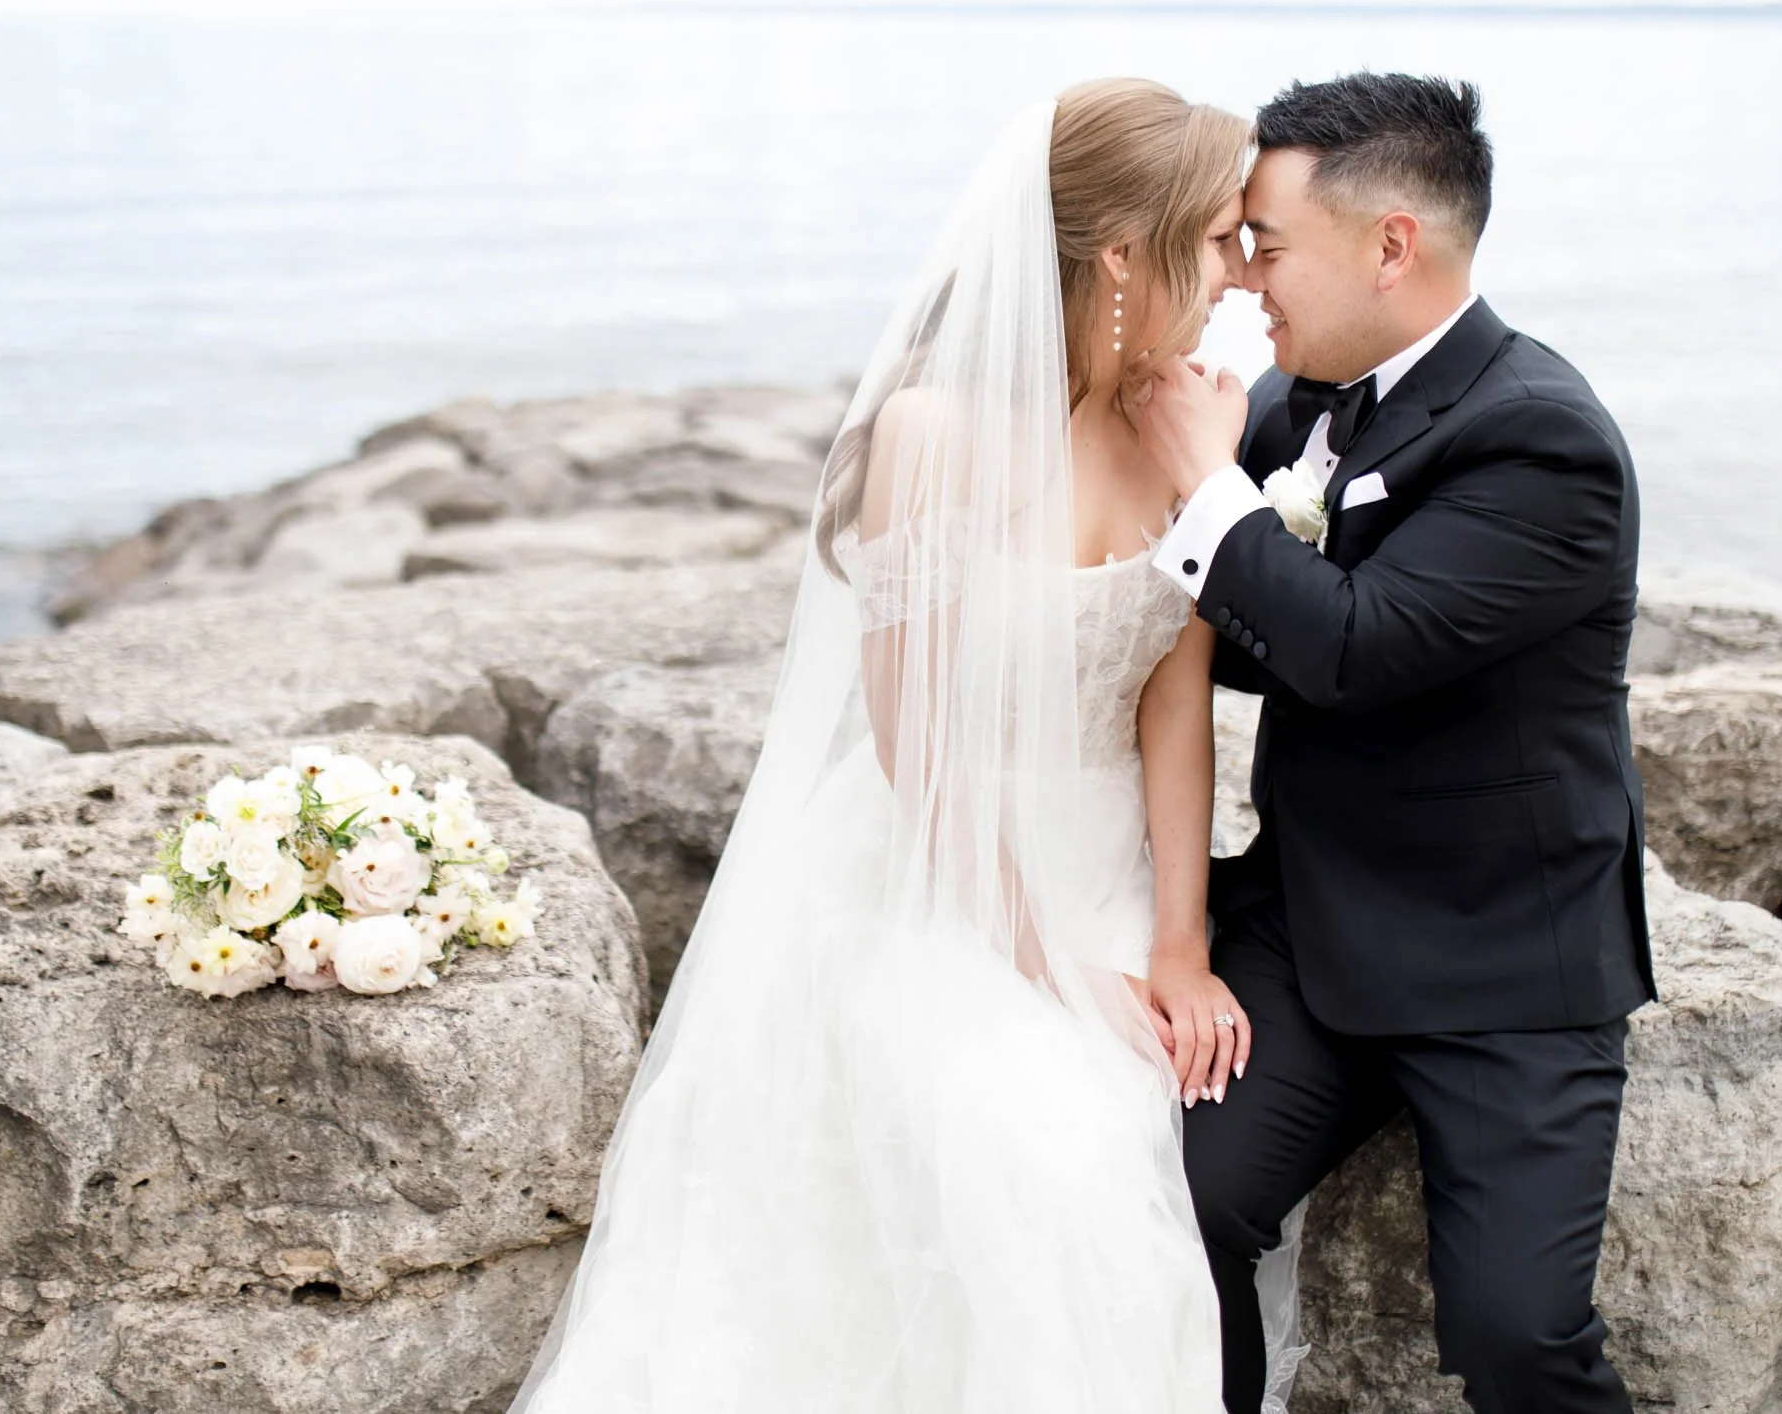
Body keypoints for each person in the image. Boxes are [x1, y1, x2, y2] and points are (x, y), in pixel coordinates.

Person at [510, 80, 1313, 1413]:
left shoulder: (1180, 422)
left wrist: (1176, 948)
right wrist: (1057, 969)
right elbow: (916, 748)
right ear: (1126, 250)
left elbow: (1173, 704)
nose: (1242, 276)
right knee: (1046, 1146)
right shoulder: (936, 434)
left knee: (1169, 1136)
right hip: (941, 877)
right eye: (1223, 240)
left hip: (1113, 861)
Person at [1138, 72, 1656, 1414]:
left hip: (1504, 959)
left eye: (1268, 242)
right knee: (1169, 1205)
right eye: (1235, 243)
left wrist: (1206, 491)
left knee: (1517, 1336)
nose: (1246, 277)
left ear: (1390, 244)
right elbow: (1231, 620)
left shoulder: (1540, 439)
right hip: (1309, 929)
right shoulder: (1300, 403)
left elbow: (1354, 648)